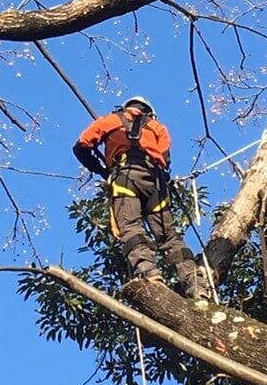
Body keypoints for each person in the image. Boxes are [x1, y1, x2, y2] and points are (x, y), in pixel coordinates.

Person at [74, 96, 208, 305]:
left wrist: (102, 170)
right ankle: (195, 285)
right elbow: (165, 159)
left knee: (130, 227)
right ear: (149, 112)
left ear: (127, 107)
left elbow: (81, 145)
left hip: (125, 177)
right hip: (155, 183)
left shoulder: (110, 120)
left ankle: (149, 273)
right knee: (170, 238)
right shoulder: (157, 127)